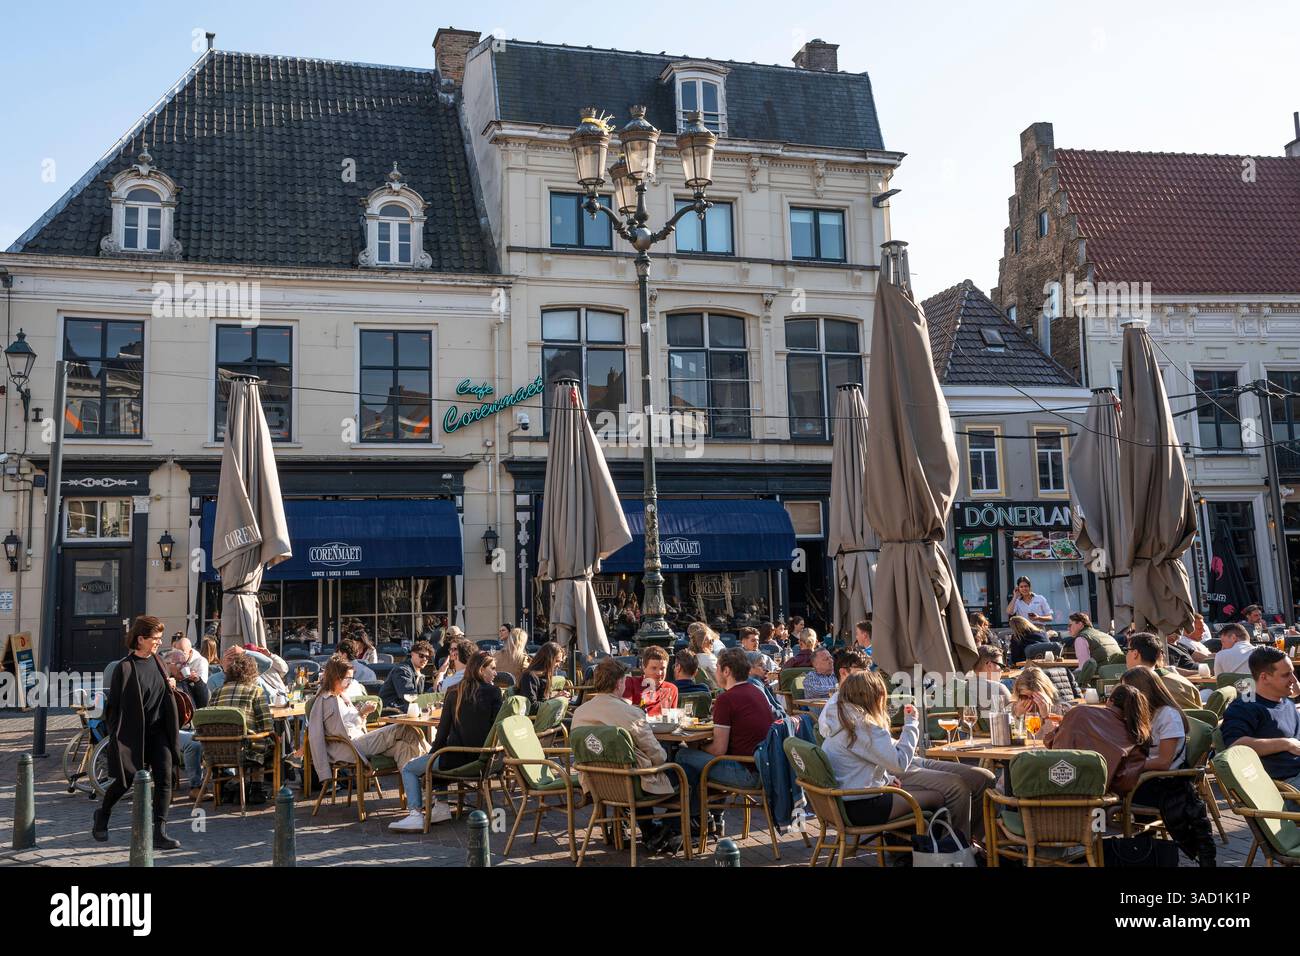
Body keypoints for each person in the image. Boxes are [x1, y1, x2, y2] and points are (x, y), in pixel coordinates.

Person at [93, 616, 182, 850]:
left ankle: (159, 832)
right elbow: (113, 708)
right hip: (133, 735)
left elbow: (162, 690)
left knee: (164, 777)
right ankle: (102, 813)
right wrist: (116, 737)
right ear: (141, 639)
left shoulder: (159, 662)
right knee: (125, 781)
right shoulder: (124, 667)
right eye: (155, 639)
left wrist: (170, 683)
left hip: (158, 731)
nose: (159, 643)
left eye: (160, 638)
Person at [390, 651, 502, 832]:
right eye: (493, 668)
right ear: (481, 670)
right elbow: (497, 728)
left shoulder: (454, 692)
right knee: (434, 757)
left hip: (455, 758)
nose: (496, 673)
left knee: (410, 768)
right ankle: (441, 807)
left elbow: (441, 735)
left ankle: (416, 815)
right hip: (486, 760)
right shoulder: (495, 692)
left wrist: (430, 756)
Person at [819, 671, 946, 828]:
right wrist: (911, 723)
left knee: (918, 789)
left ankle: (905, 848)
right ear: (874, 697)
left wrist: (886, 779)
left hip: (840, 804)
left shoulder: (839, 719)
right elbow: (900, 764)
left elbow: (858, 764)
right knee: (937, 797)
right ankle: (936, 850)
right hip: (862, 806)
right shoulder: (863, 726)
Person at [572, 658, 677, 846]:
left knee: (629, 766)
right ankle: (664, 830)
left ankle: (638, 828)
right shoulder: (631, 713)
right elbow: (657, 755)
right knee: (683, 775)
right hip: (630, 785)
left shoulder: (580, 712)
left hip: (593, 782)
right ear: (620, 683)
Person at [309, 654, 428, 817]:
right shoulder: (324, 700)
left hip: (360, 740)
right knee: (403, 728)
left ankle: (415, 807)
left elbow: (352, 723)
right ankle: (433, 764)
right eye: (347, 679)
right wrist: (323, 770)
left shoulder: (343, 697)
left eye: (351, 679)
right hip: (350, 746)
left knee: (404, 747)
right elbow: (316, 734)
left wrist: (362, 713)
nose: (349, 682)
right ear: (335, 677)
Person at [672, 649, 773, 841]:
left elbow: (718, 750)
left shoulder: (727, 699)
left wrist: (698, 748)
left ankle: (695, 819)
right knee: (698, 763)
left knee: (682, 756)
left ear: (726, 671)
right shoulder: (756, 691)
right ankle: (712, 818)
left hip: (747, 774)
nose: (715, 672)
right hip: (764, 769)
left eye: (717, 668)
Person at [1120, 667, 1216, 866]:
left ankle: (1115, 850)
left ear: (1141, 691)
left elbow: (1164, 762)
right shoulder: (1145, 713)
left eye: (1126, 691)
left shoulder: (1167, 715)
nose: (1124, 697)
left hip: (1165, 782)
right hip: (1149, 778)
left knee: (1107, 796)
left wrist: (1133, 765)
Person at [1220, 647, 1300, 799]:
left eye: (1293, 673)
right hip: (1285, 789)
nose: (1293, 680)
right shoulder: (1245, 707)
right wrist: (1286, 743)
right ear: (1264, 677)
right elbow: (1236, 746)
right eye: (1286, 675)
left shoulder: (1283, 699)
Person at [1043, 683, 1149, 795]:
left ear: (1110, 701)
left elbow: (1050, 741)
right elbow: (1125, 783)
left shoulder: (1078, 712)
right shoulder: (1137, 735)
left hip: (1056, 793)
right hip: (1098, 800)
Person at [209, 652, 276, 805]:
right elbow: (266, 724)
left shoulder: (217, 692)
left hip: (217, 750)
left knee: (246, 740)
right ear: (252, 673)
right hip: (245, 750)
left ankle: (238, 786)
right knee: (268, 742)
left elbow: (210, 719)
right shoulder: (255, 691)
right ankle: (257, 788)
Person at [1126, 631, 1201, 712]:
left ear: (1135, 653)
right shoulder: (1185, 683)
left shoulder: (1130, 687)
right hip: (1189, 724)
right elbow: (1201, 714)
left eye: (1127, 650)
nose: (1126, 655)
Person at [621, 645, 679, 715]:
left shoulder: (671, 689)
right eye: (654, 668)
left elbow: (672, 718)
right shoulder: (631, 683)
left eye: (662, 668)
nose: (659, 673)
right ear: (644, 668)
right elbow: (625, 710)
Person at [380, 639, 432, 711]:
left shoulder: (420, 675)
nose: (424, 659)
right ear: (412, 654)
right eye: (421, 655)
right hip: (391, 710)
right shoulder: (402, 670)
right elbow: (409, 695)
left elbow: (417, 698)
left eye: (427, 657)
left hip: (404, 709)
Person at [518, 641, 567, 709]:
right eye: (556, 661)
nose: (558, 665)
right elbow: (531, 707)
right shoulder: (529, 676)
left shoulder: (545, 675)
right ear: (547, 659)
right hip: (535, 719)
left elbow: (543, 701)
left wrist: (556, 697)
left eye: (560, 662)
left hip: (545, 716)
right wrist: (554, 700)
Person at [970, 644, 1012, 710]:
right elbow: (1015, 717)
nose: (1002, 670)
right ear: (990, 665)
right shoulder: (999, 689)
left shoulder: (962, 687)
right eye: (1001, 666)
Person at [746, 651, 786, 718]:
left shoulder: (758, 682)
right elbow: (770, 712)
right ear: (749, 669)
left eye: (764, 665)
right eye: (760, 665)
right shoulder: (754, 684)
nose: (765, 669)